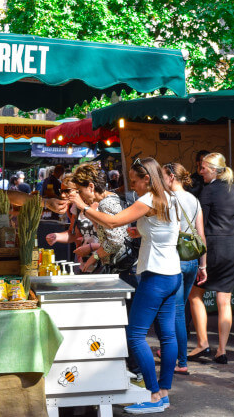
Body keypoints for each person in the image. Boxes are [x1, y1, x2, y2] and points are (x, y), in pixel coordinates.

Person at [70, 157, 181, 414]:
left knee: (134, 335)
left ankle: (153, 396)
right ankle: (163, 393)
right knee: (167, 334)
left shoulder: (148, 199)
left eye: (134, 181)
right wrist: (140, 232)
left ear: (146, 179)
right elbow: (163, 229)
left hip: (155, 275)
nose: (132, 186)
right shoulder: (170, 198)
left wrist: (82, 208)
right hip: (172, 273)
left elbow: (112, 222)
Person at [187, 152, 234, 365]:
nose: (200, 172)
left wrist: (202, 260)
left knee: (194, 295)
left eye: (203, 168)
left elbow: (200, 225)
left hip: (213, 248)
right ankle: (222, 349)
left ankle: (202, 343)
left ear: (213, 169)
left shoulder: (208, 191)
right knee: (224, 300)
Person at [162, 162, 207, 375]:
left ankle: (181, 361)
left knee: (177, 310)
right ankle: (173, 352)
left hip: (175, 259)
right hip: (192, 260)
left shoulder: (170, 200)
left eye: (163, 176)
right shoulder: (194, 200)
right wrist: (203, 264)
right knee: (180, 308)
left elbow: (172, 230)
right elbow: (201, 235)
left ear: (171, 176)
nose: (162, 181)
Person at [58, 163, 129, 273]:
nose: (79, 195)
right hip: (117, 267)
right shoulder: (108, 199)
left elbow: (115, 242)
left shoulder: (106, 203)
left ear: (91, 187)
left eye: (80, 191)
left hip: (120, 269)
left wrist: (94, 256)